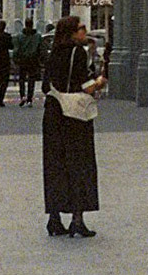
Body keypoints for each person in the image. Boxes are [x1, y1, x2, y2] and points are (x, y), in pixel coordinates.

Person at [41, 15, 103, 238]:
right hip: (75, 117)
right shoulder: (79, 52)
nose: (84, 32)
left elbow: (45, 85)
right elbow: (85, 86)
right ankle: (77, 218)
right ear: (72, 32)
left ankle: (54, 218)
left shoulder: (53, 52)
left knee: (55, 164)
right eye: (81, 28)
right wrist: (99, 83)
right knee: (79, 163)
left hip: (53, 112)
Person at [13, 18, 43, 106]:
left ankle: (23, 96)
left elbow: (16, 50)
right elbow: (41, 49)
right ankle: (30, 98)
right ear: (32, 24)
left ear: (25, 24)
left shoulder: (19, 36)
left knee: (22, 79)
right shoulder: (37, 36)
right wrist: (41, 60)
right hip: (33, 60)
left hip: (23, 60)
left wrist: (15, 59)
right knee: (31, 79)